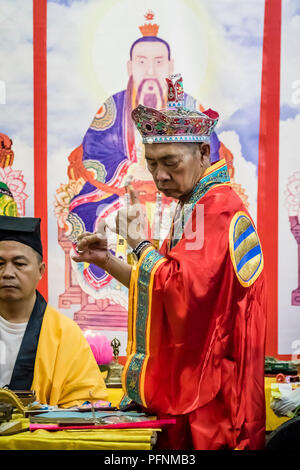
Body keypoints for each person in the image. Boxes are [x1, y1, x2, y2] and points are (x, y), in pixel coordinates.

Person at [72, 74, 267, 450]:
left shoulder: (215, 209)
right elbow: (165, 286)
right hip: (201, 382)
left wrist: (138, 241)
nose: (160, 176)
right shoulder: (194, 206)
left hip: (212, 393)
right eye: (153, 164)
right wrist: (107, 260)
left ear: (204, 155)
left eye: (171, 162)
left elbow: (178, 290)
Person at [0, 215, 108, 407]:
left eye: (20, 264)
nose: (8, 273)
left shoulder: (65, 334)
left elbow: (86, 402)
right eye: (0, 264)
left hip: (39, 435)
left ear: (41, 271)